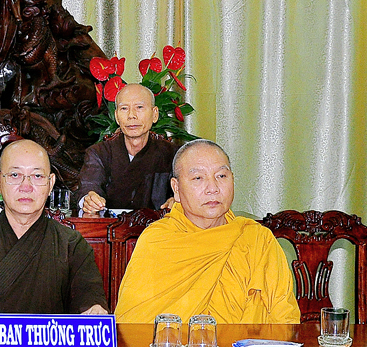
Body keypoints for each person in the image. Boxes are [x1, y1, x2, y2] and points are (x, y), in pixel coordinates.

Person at [114, 139, 300, 324]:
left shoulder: (256, 239)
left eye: (221, 176)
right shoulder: (157, 241)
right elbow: (131, 324)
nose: (213, 188)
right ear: (176, 188)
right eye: (198, 178)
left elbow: (285, 318)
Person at [0, 139, 108, 331]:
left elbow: (88, 294)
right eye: (15, 175)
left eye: (37, 176)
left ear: (50, 183)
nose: (26, 186)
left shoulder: (72, 244)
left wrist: (94, 309)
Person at [76, 83, 178, 211]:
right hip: (111, 223)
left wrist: (177, 201)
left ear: (154, 114)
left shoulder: (173, 154)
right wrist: (89, 199)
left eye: (139, 107)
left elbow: (186, 191)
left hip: (160, 223)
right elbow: (88, 187)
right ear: (117, 117)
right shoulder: (99, 153)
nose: (131, 115)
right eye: (124, 108)